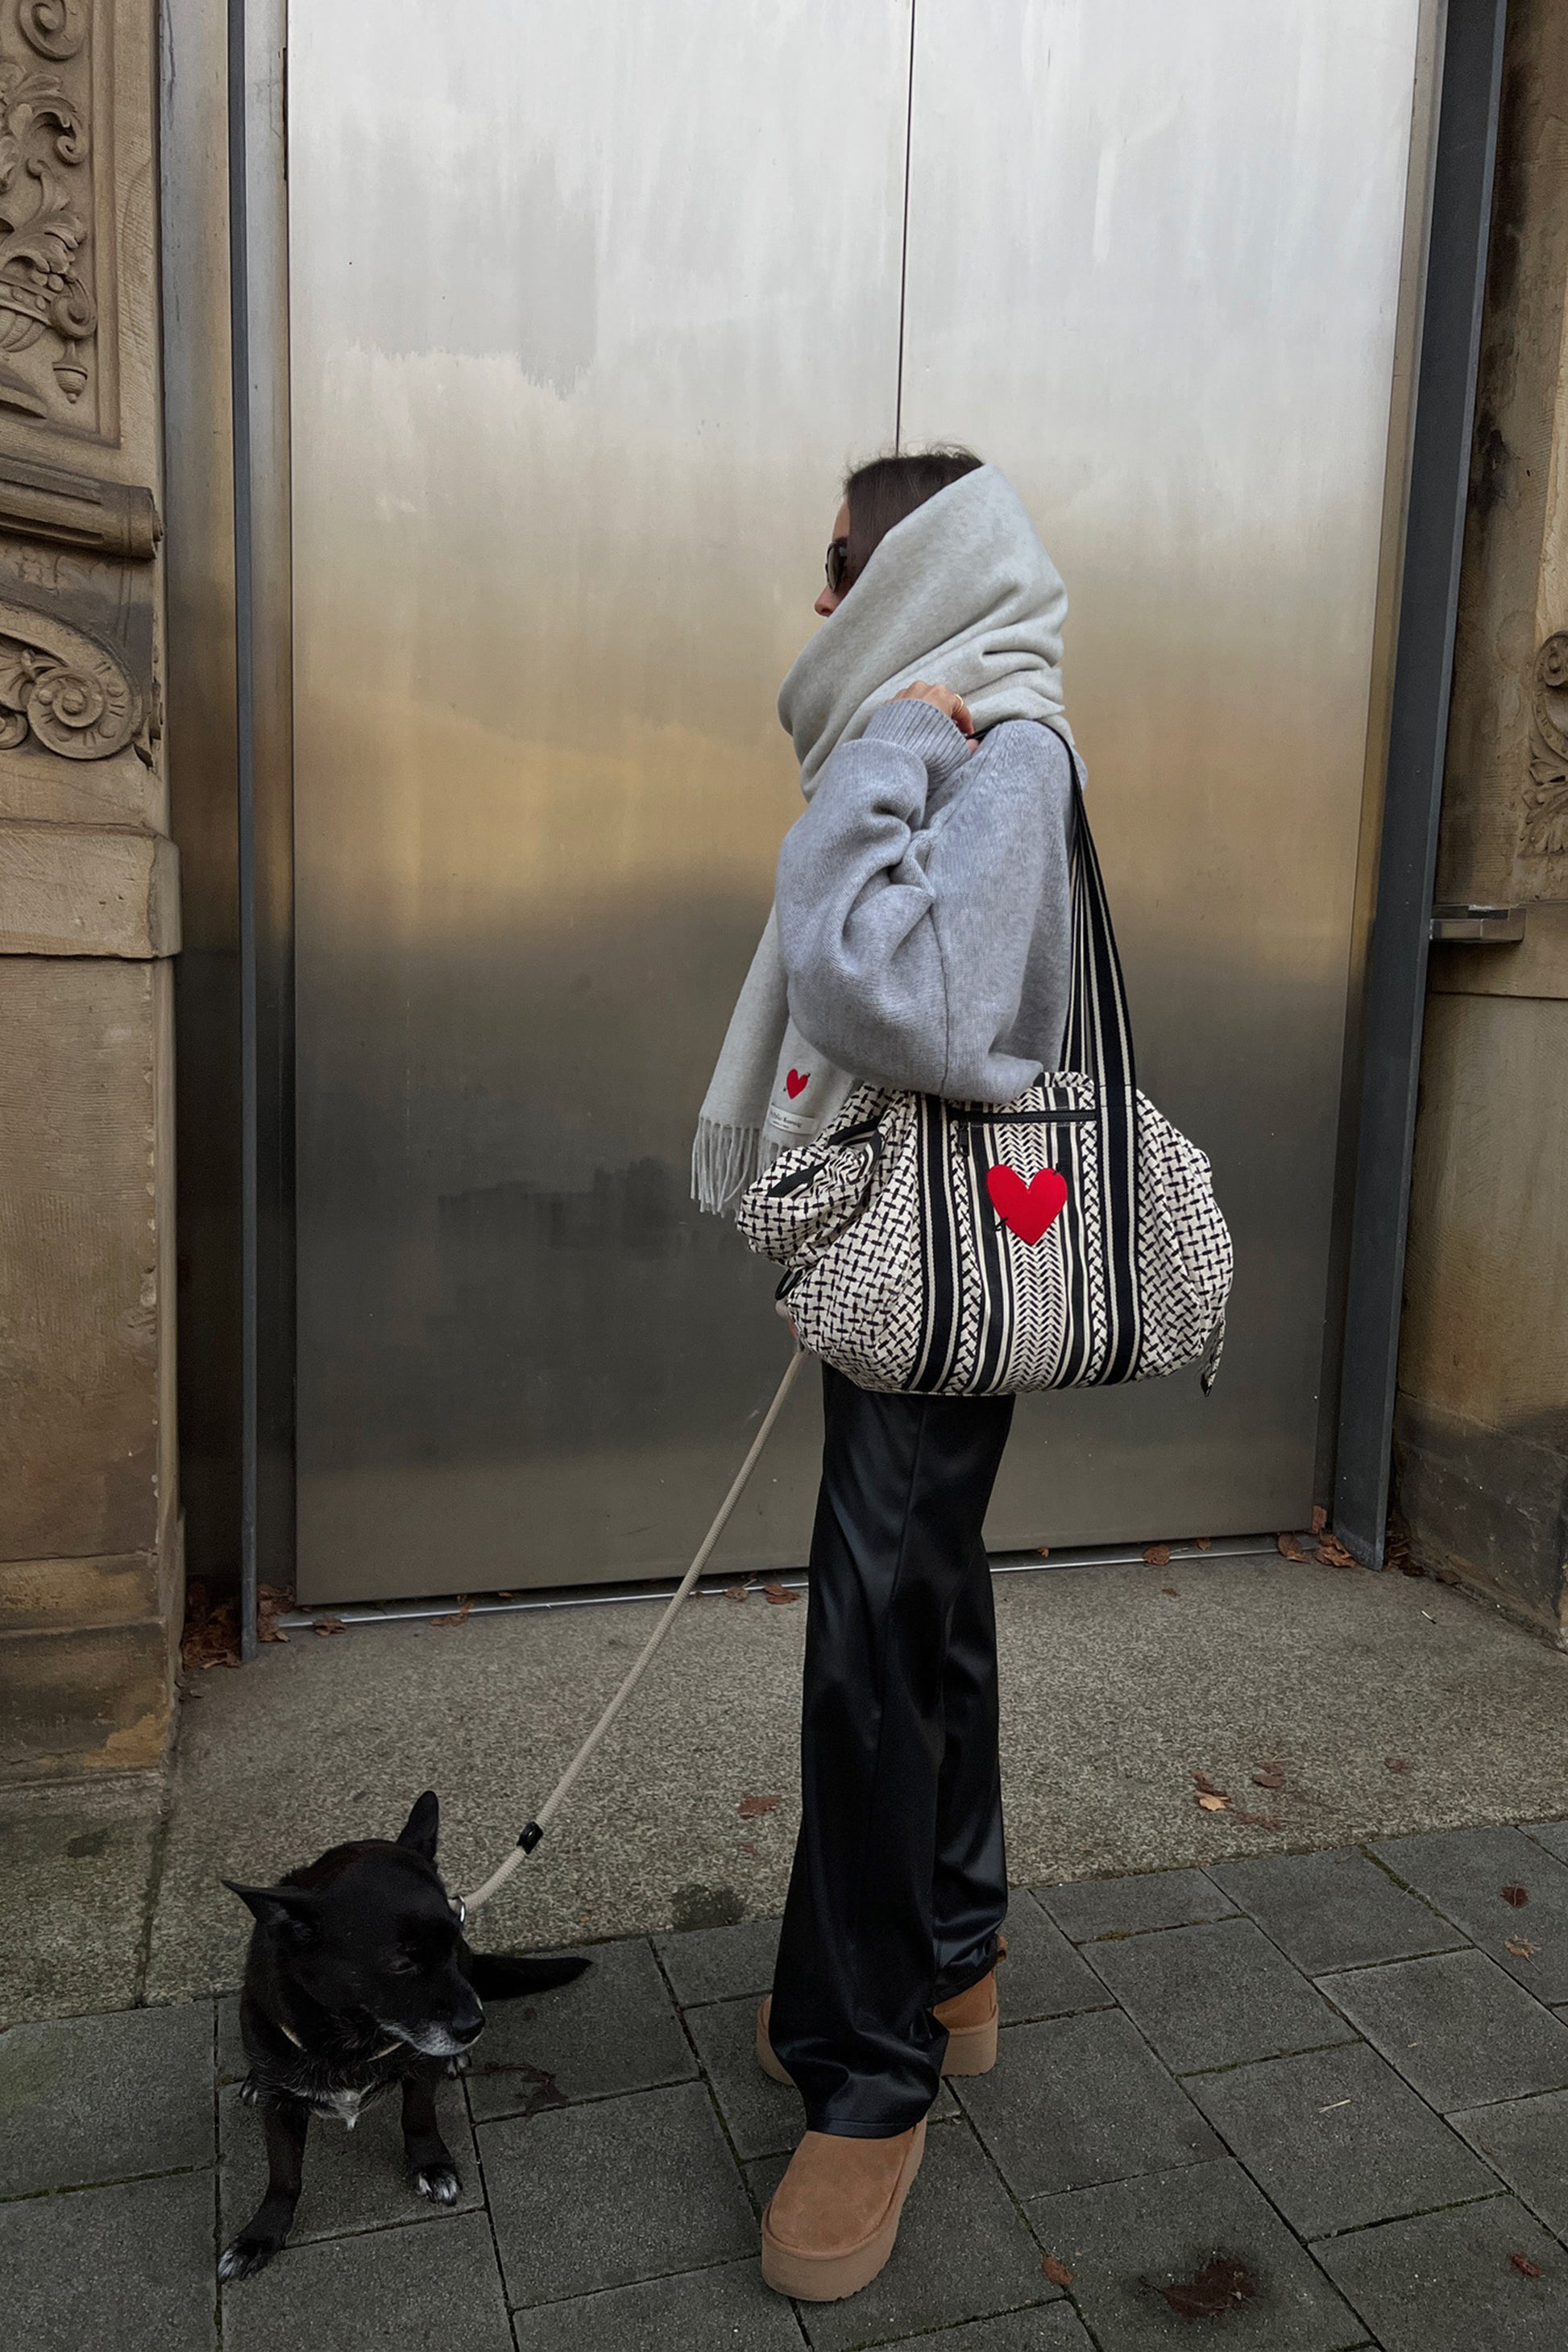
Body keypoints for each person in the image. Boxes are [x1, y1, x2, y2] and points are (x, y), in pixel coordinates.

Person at [693, 449, 1078, 2301]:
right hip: (912, 1242)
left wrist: (886, 750)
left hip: (934, 1245)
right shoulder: (976, 724)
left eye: (841, 565)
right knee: (922, 1591)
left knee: (872, 1625)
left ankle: (872, 2074)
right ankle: (953, 1945)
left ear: (912, 563)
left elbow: (899, 997)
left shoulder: (997, 743)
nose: (824, 606)